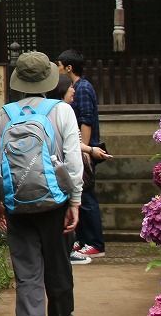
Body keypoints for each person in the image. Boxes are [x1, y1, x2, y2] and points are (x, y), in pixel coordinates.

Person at [0, 51, 84, 316]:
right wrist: (75, 200)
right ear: (48, 80)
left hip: (17, 206)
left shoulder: (3, 116)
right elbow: (74, 162)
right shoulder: (62, 111)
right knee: (59, 272)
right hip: (56, 205)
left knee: (27, 277)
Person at [49, 74, 111, 264]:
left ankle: (89, 242)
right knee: (81, 201)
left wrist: (89, 149)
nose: (73, 90)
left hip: (62, 165)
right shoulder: (62, 110)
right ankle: (83, 242)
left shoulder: (55, 109)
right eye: (70, 88)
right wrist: (90, 149)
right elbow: (73, 142)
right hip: (66, 165)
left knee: (83, 201)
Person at [58, 49, 107, 259]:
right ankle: (84, 239)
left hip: (84, 149)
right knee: (80, 196)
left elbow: (86, 120)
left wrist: (84, 150)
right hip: (79, 148)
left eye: (59, 65)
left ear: (69, 67)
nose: (57, 68)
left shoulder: (83, 88)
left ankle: (95, 243)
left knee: (86, 197)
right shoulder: (74, 87)